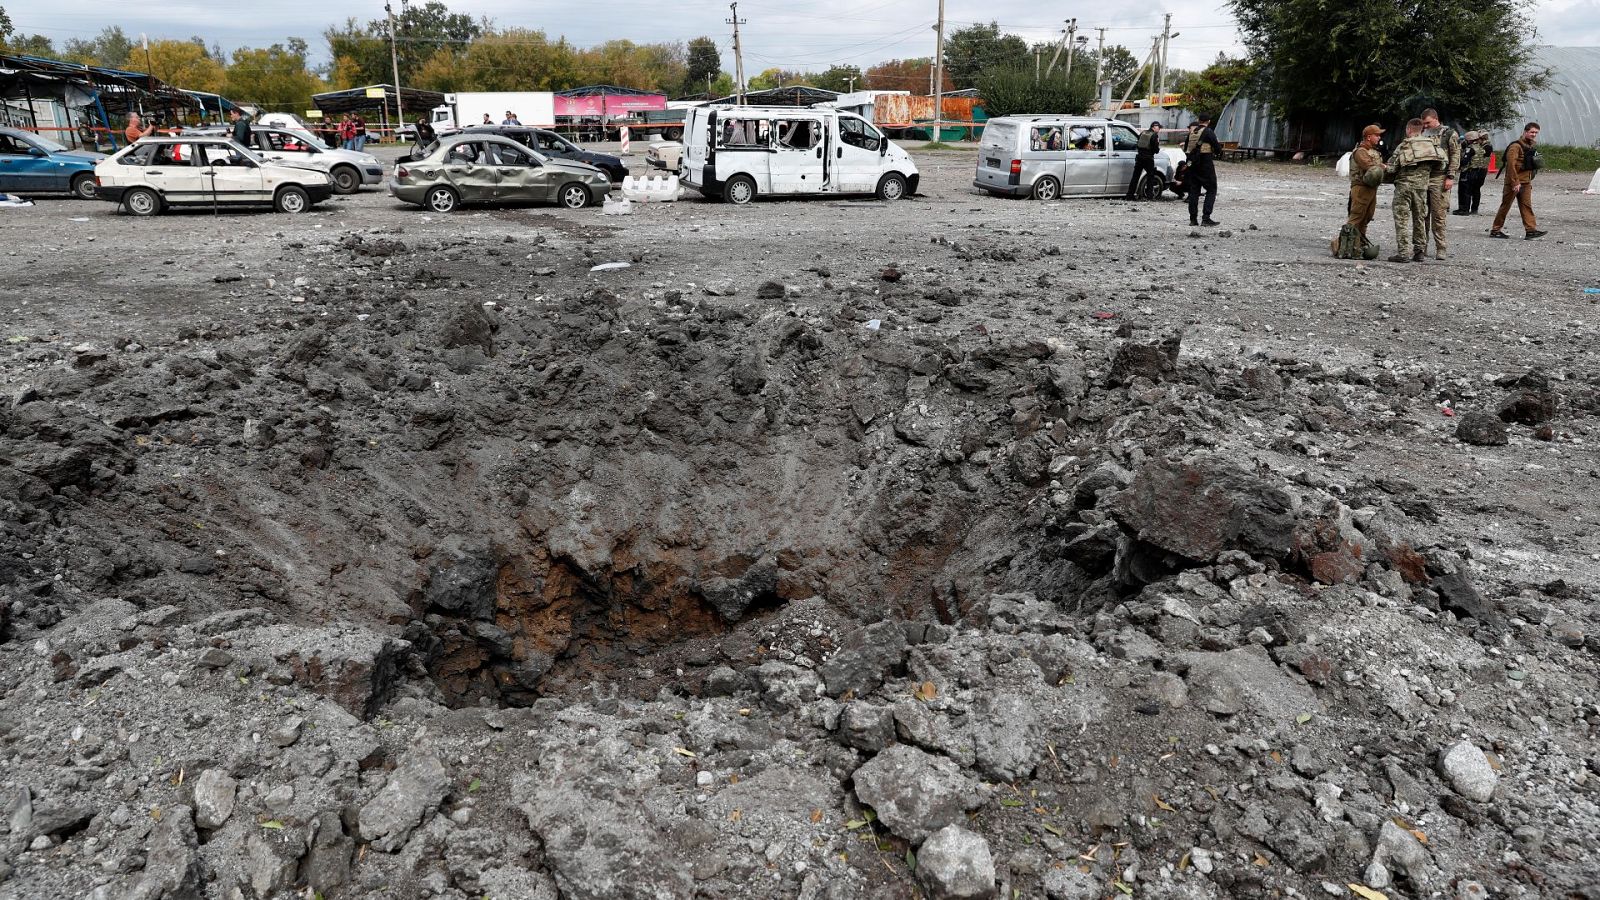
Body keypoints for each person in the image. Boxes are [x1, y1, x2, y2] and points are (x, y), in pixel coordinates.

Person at [1385, 118, 1444, 262]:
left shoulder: (1403, 145)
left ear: (1409, 130)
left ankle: (1403, 253)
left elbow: (1392, 168)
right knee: (1419, 218)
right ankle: (1419, 252)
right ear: (1422, 130)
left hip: (1404, 187)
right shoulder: (1431, 144)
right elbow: (1441, 166)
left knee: (1402, 219)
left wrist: (1384, 168)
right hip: (1422, 187)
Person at [1491, 122, 1545, 239]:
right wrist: (1515, 182)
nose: (1534, 134)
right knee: (1505, 206)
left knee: (1526, 206)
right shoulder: (1515, 146)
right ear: (1525, 132)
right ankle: (1495, 230)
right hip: (1514, 182)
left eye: (1536, 132)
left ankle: (1531, 230)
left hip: (1526, 182)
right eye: (1532, 132)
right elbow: (1511, 165)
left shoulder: (1529, 145)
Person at [1337, 124, 1385, 253]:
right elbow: (1369, 166)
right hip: (1361, 188)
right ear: (1369, 137)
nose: (1379, 137)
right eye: (1377, 135)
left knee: (1366, 217)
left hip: (1371, 188)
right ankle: (1341, 246)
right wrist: (1383, 167)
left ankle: (1359, 242)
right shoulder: (1360, 151)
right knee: (1356, 216)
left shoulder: (1374, 151)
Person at [1419, 107, 1459, 260]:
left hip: (1440, 178)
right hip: (1423, 178)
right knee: (1422, 215)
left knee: (1438, 215)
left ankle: (1441, 248)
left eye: (1428, 122)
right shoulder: (1422, 134)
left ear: (1435, 119)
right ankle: (1421, 247)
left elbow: (1455, 155)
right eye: (1424, 123)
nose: (1426, 126)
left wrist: (1450, 176)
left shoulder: (1449, 134)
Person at [1183, 113, 1221, 226]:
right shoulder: (1208, 132)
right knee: (1211, 189)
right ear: (1208, 121)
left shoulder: (1191, 133)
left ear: (1198, 120)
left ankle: (1193, 219)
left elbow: (1186, 149)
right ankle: (1206, 218)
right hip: (1205, 164)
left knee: (1194, 191)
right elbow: (1218, 149)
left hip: (1193, 164)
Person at [1124, 121, 1163, 200]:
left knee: (1135, 176)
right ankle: (1149, 196)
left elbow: (1138, 144)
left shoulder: (1143, 133)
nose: (1159, 130)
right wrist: (1157, 149)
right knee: (1150, 177)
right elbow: (1156, 149)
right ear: (1154, 127)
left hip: (1139, 157)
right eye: (1159, 128)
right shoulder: (1154, 135)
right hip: (1148, 158)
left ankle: (1129, 195)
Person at [1453, 131, 1489, 215]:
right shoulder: (1481, 148)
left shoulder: (1470, 148)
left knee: (1464, 190)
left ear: (1469, 140)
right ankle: (1474, 209)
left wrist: (1458, 163)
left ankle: (1464, 209)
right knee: (1475, 190)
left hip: (1468, 172)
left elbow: (1465, 161)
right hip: (1478, 172)